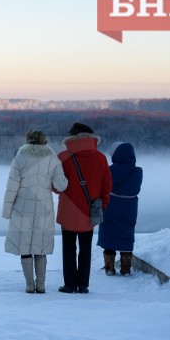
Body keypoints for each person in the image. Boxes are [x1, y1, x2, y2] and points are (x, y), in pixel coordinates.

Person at [3, 130, 68, 293]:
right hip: (44, 206)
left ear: (28, 140)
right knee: (40, 247)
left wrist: (6, 211)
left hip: (21, 207)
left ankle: (29, 284)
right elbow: (62, 185)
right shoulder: (52, 157)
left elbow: (12, 186)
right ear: (44, 140)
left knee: (24, 247)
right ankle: (41, 285)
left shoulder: (20, 156)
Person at [56, 122, 112, 294]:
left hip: (68, 210)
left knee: (68, 248)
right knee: (85, 249)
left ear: (72, 137)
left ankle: (70, 284)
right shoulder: (101, 158)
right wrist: (102, 205)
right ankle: (83, 285)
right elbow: (107, 185)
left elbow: (56, 185)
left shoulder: (63, 157)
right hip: (90, 209)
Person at [97, 142, 143, 276]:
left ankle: (109, 268)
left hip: (112, 204)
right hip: (130, 207)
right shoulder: (137, 171)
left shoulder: (110, 170)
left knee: (109, 233)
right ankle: (126, 269)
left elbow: (103, 186)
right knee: (127, 235)